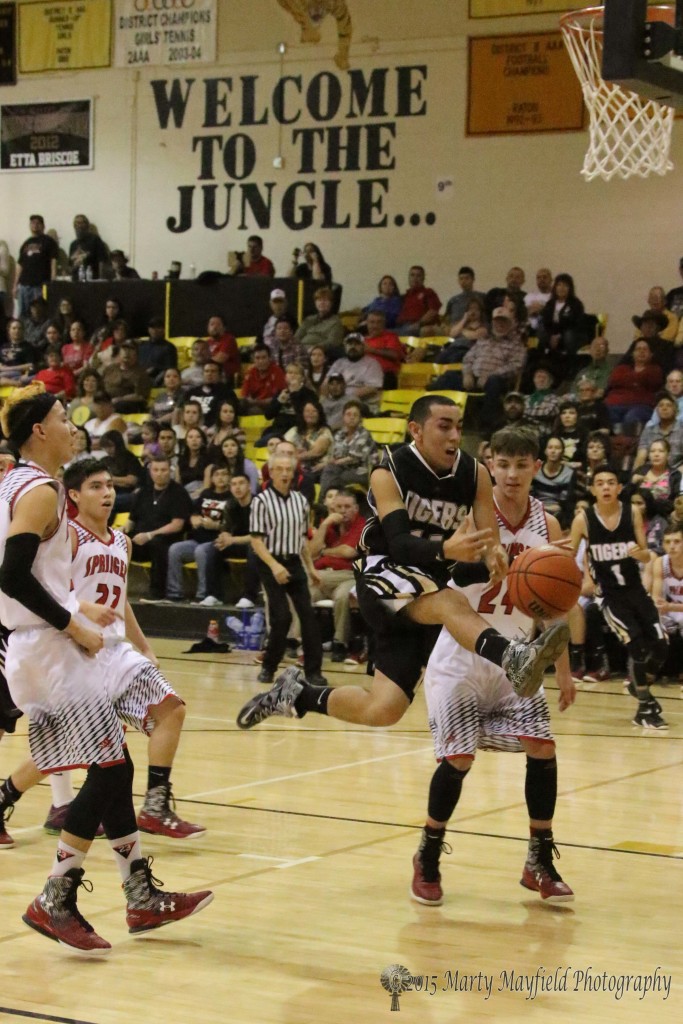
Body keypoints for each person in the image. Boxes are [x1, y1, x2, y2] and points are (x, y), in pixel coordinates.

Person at [0, 385, 212, 952]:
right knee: (111, 771)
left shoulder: (13, 483)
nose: (73, 425)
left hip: (44, 640)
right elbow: (12, 576)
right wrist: (69, 622)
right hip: (47, 648)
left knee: (113, 764)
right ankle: (56, 895)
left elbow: (27, 579)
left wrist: (74, 608)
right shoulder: (41, 491)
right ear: (40, 430)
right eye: (63, 418)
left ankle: (137, 894)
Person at [237, 395, 569, 732]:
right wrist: (446, 549)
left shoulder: (475, 474)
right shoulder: (389, 470)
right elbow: (399, 543)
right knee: (449, 602)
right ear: (416, 430)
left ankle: (296, 695)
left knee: (383, 709)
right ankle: (514, 657)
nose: (455, 435)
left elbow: (489, 540)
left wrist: (497, 557)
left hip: (429, 585)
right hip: (383, 572)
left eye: (458, 427)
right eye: (444, 426)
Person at [411, 426, 575, 907]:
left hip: (516, 659)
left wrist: (563, 670)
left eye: (522, 465)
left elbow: (558, 605)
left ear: (537, 467)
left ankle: (538, 860)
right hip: (463, 656)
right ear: (489, 465)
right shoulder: (473, 519)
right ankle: (429, 853)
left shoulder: (549, 523)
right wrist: (486, 565)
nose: (511, 474)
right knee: (459, 758)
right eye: (502, 464)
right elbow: (440, 580)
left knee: (542, 747)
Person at [569, 464, 668, 729]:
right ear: (592, 490)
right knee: (636, 646)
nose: (605, 487)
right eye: (600, 483)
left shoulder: (632, 512)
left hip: (636, 591)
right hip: (610, 597)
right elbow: (568, 556)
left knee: (660, 645)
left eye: (611, 482)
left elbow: (647, 555)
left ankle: (640, 685)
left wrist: (641, 554)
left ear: (619, 488)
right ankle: (645, 705)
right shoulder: (584, 520)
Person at [248, 452, 326, 686]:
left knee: (308, 617)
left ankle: (313, 671)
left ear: (294, 474)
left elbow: (302, 539)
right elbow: (256, 541)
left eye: (288, 469)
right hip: (269, 561)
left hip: (293, 560)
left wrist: (310, 568)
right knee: (281, 617)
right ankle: (269, 666)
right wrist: (274, 566)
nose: (284, 473)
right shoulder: (260, 501)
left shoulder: (301, 501)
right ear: (270, 472)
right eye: (279, 469)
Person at [308, 489, 366, 662]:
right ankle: (301, 643)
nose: (342, 510)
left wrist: (324, 551)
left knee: (342, 596)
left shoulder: (361, 524)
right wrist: (325, 525)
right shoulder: (328, 525)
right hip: (326, 578)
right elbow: (311, 553)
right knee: (307, 594)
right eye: (338, 506)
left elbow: (348, 551)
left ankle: (340, 643)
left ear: (356, 508)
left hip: (349, 575)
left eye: (347, 506)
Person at [124, 457, 193, 601]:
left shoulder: (178, 493)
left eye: (163, 470)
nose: (160, 473)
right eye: (156, 470)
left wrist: (150, 535)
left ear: (170, 471)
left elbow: (177, 524)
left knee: (158, 545)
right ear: (150, 472)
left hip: (166, 538)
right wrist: (120, 532)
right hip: (140, 538)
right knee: (115, 544)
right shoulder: (143, 492)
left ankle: (157, 593)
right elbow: (131, 521)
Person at [166, 464, 232, 604]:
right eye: (217, 475)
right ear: (212, 478)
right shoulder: (205, 494)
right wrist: (193, 518)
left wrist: (217, 526)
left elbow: (233, 526)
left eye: (224, 474)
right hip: (197, 538)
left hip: (216, 542)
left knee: (201, 551)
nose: (220, 478)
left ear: (229, 478)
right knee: (175, 549)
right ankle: (174, 592)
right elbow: (193, 513)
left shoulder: (232, 497)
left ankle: (203, 593)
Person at [318, 399, 376, 495]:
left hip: (363, 470)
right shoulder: (340, 434)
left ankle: (332, 500)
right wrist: (332, 461)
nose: (352, 417)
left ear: (360, 418)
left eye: (355, 415)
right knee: (329, 470)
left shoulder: (364, 434)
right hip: (344, 467)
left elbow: (354, 458)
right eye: (348, 414)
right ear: (343, 417)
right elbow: (337, 454)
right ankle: (324, 500)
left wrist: (335, 461)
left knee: (341, 476)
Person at [652, 523, 683, 684]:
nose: (672, 546)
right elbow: (657, 598)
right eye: (668, 542)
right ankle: (649, 670)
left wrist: (669, 607)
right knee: (652, 624)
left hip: (675, 608)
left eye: (677, 541)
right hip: (671, 609)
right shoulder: (660, 563)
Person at [324, 332, 384, 414]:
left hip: (363, 404)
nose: (353, 347)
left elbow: (371, 388)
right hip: (338, 399)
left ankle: (330, 426)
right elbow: (326, 382)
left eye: (357, 344)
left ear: (363, 346)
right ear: (345, 347)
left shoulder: (372, 364)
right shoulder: (339, 363)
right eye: (350, 344)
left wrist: (344, 398)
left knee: (344, 406)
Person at [14, 215, 58, 317]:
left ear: (43, 226)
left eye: (38, 223)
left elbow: (53, 262)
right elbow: (20, 265)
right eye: (33, 223)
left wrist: (53, 282)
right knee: (23, 315)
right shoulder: (26, 243)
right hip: (24, 286)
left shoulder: (49, 242)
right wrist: (15, 285)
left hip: (40, 285)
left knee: (39, 314)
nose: (35, 225)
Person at [294, 286, 345, 357]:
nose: (322, 303)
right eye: (319, 300)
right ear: (315, 303)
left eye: (325, 300)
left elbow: (333, 342)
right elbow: (296, 337)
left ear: (331, 303)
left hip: (317, 353)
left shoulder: (336, 322)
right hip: (299, 350)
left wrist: (316, 348)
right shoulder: (309, 319)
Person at [240, 344, 287, 414]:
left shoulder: (277, 371)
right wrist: (251, 400)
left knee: (254, 410)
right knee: (239, 404)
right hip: (254, 405)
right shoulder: (250, 372)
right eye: (257, 358)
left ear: (269, 358)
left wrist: (258, 402)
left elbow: (279, 398)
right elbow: (244, 395)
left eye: (264, 357)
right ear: (253, 360)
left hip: (272, 408)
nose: (261, 361)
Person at [396, 266, 441, 337]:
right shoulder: (404, 296)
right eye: (412, 275)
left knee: (393, 335)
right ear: (408, 278)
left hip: (419, 326)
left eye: (418, 275)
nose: (415, 278)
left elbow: (433, 312)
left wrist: (418, 324)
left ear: (423, 278)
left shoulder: (428, 292)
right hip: (401, 326)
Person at [137, 316, 178, 385]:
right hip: (138, 376)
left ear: (163, 330)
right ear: (149, 330)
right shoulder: (142, 345)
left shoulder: (169, 347)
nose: (154, 330)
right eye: (152, 327)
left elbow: (170, 368)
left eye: (158, 327)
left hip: (156, 378)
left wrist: (154, 370)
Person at [68, 214, 108, 281]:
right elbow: (69, 266)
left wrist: (101, 280)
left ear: (87, 225)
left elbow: (102, 261)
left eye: (82, 223)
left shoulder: (95, 240)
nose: (79, 226)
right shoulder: (73, 245)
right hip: (76, 282)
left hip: (92, 281)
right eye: (77, 223)